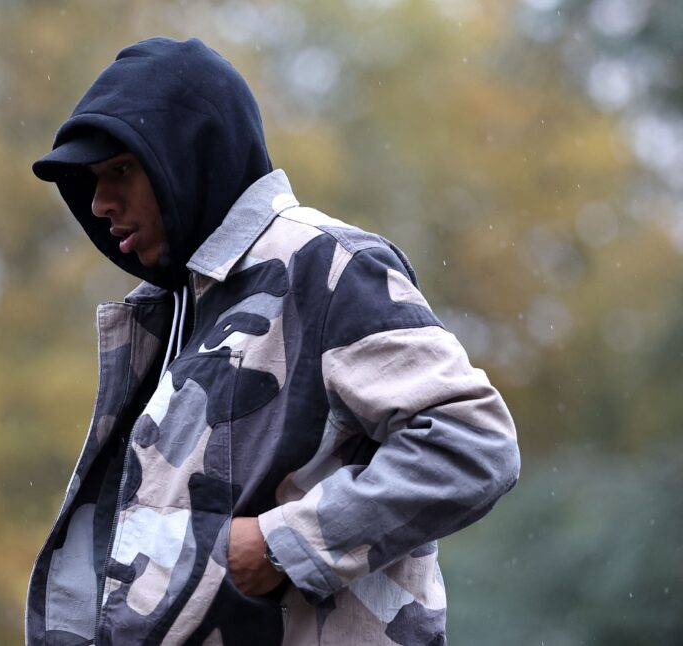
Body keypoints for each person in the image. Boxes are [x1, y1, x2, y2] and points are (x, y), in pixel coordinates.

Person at [26, 37, 519, 646]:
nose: (100, 203)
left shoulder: (328, 266)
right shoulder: (180, 309)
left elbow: (472, 443)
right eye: (93, 181)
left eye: (121, 170)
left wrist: (282, 546)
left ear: (191, 156)